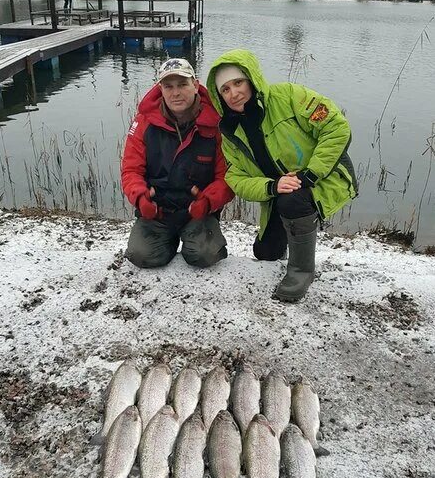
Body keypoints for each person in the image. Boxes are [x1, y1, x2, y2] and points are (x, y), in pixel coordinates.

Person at [206, 49, 358, 302]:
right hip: (280, 190)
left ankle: (301, 271)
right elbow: (236, 178)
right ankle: (293, 232)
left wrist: (310, 174)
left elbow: (336, 126)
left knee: (294, 200)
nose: (234, 93)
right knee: (266, 252)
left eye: (238, 82)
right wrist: (272, 186)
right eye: (225, 89)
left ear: (251, 79)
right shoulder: (230, 132)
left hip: (324, 176)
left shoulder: (288, 96)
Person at [121, 58, 234, 269]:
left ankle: (196, 237)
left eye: (182, 84)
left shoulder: (216, 124)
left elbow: (226, 177)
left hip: (197, 211)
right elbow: (131, 170)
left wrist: (208, 202)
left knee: (205, 257)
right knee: (141, 256)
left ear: (196, 84)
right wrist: (140, 197)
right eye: (168, 86)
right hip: (158, 210)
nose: (176, 93)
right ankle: (168, 239)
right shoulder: (143, 122)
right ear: (160, 89)